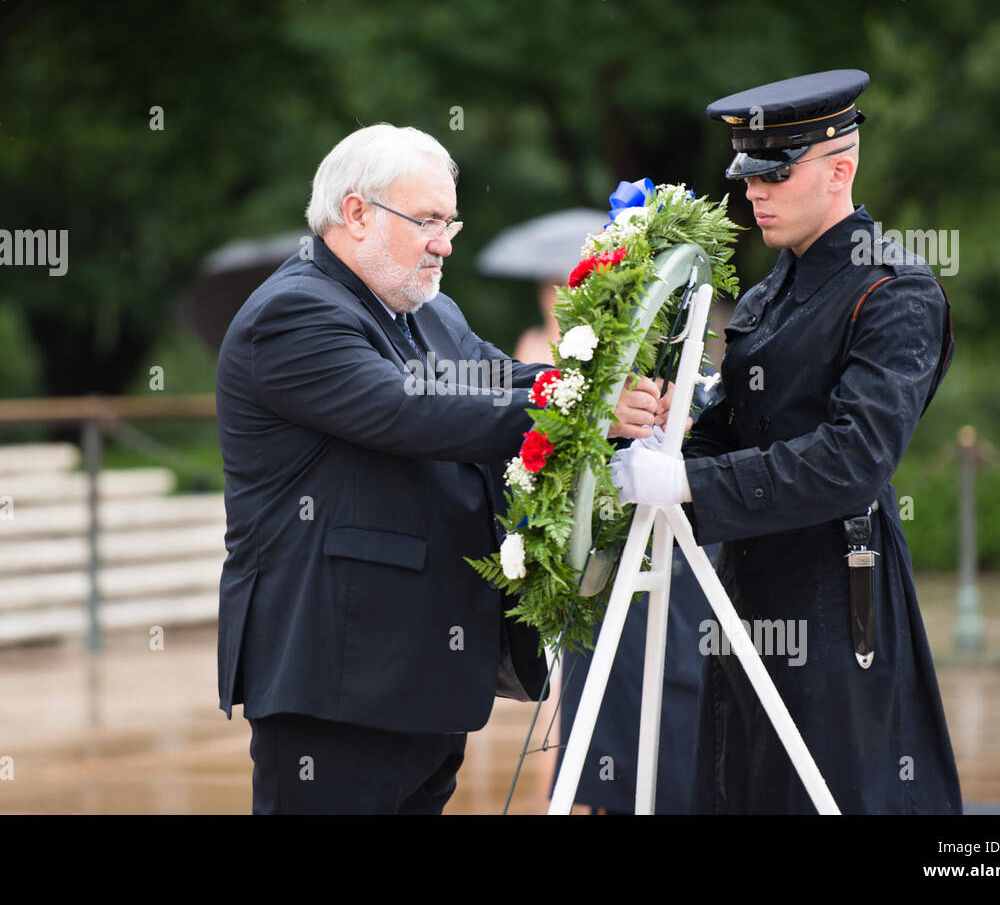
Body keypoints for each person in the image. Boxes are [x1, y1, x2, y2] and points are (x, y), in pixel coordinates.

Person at [215, 123, 670, 814]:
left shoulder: (428, 309)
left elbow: (508, 377)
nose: (445, 241)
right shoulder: (291, 311)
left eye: (450, 220)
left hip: (423, 679)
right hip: (335, 683)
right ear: (356, 213)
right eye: (427, 219)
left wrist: (611, 385)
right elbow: (411, 412)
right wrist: (580, 408)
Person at [609, 70, 962, 813]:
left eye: (775, 173)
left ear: (841, 168)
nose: (753, 193)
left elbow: (855, 459)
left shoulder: (894, 288)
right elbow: (732, 425)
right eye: (747, 174)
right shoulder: (773, 290)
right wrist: (660, 450)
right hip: (748, 586)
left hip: (837, 590)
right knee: (744, 784)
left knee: (831, 789)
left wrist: (692, 485)